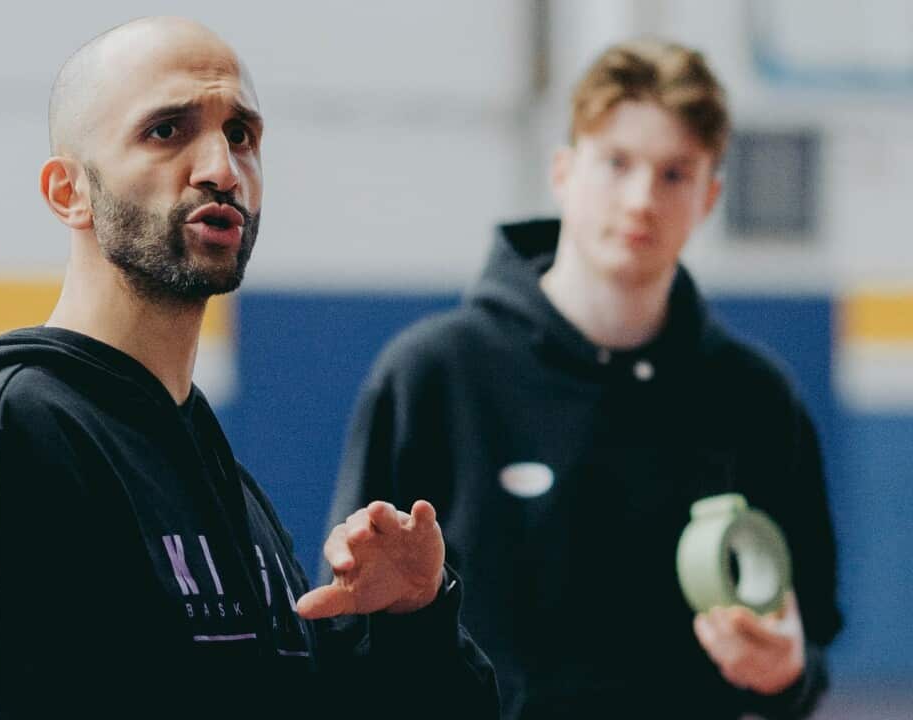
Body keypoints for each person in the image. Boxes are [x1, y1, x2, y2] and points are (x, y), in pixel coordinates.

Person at [0, 17, 498, 717]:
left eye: (241, 135)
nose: (221, 169)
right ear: (69, 192)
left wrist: (413, 621)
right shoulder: (17, 438)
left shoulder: (211, 471)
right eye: (168, 131)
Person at [327, 38, 841, 719]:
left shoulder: (754, 398)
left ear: (711, 196)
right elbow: (351, 629)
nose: (641, 198)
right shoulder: (433, 375)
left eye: (675, 173)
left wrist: (785, 675)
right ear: (565, 171)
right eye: (617, 162)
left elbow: (805, 647)